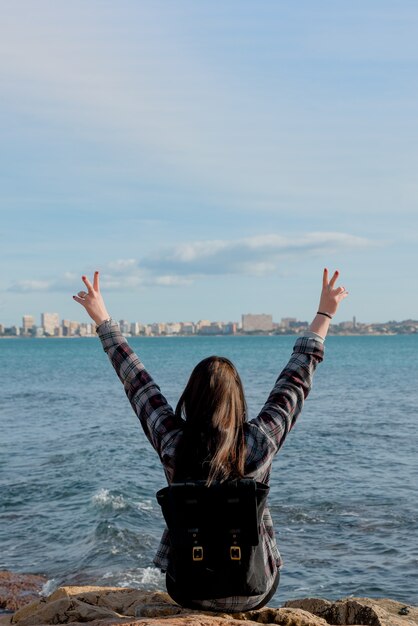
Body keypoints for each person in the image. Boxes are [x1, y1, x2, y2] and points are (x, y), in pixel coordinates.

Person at [73, 268, 348, 612]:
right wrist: (324, 314)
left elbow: (137, 382)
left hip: (188, 588)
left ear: (191, 396)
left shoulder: (172, 440)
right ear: (237, 399)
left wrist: (102, 318)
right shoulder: (260, 441)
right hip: (255, 590)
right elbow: (295, 380)